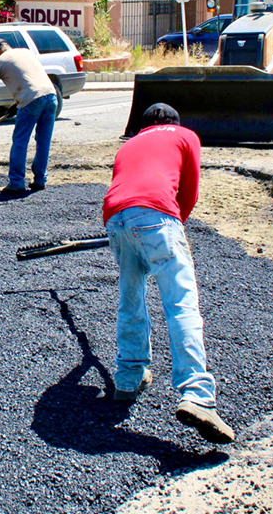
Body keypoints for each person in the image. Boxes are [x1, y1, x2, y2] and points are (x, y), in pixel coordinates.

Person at [101, 102, 235, 445]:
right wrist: (174, 230)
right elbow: (188, 192)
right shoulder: (185, 135)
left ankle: (128, 378)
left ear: (142, 126)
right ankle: (198, 395)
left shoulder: (127, 145)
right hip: (158, 216)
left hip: (115, 218)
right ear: (175, 122)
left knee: (131, 298)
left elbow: (126, 188)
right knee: (181, 304)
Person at [0, 38, 57, 194]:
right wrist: (16, 104)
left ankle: (16, 182)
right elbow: (29, 79)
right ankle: (40, 180)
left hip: (31, 99)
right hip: (51, 96)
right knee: (43, 141)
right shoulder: (26, 52)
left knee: (20, 141)